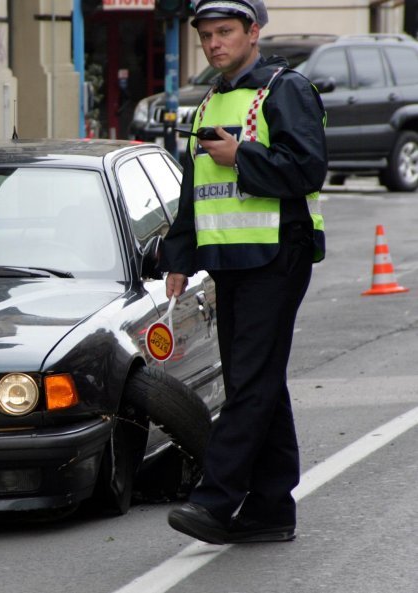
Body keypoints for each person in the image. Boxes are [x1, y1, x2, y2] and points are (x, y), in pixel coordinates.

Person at [160, 0, 327, 545]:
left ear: (253, 32)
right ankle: (271, 508)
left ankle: (215, 500)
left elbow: (308, 167)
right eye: (206, 35)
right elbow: (195, 191)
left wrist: (243, 157)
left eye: (225, 32)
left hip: (279, 256)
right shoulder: (210, 100)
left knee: (250, 382)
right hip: (230, 260)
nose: (214, 44)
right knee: (256, 381)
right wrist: (180, 258)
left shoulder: (285, 89)